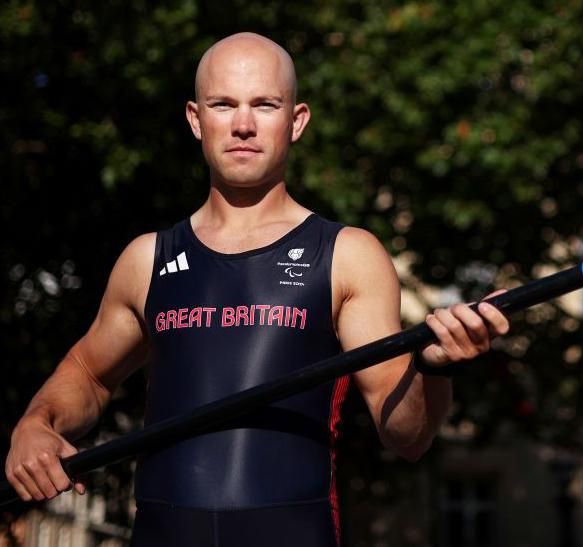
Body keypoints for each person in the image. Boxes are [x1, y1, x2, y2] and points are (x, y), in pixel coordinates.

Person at [4, 32, 509, 546]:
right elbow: (88, 374)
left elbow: (406, 436)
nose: (243, 124)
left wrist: (434, 368)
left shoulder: (347, 256)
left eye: (264, 104)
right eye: (223, 104)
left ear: (297, 120)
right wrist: (36, 423)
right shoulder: (146, 260)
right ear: (196, 119)